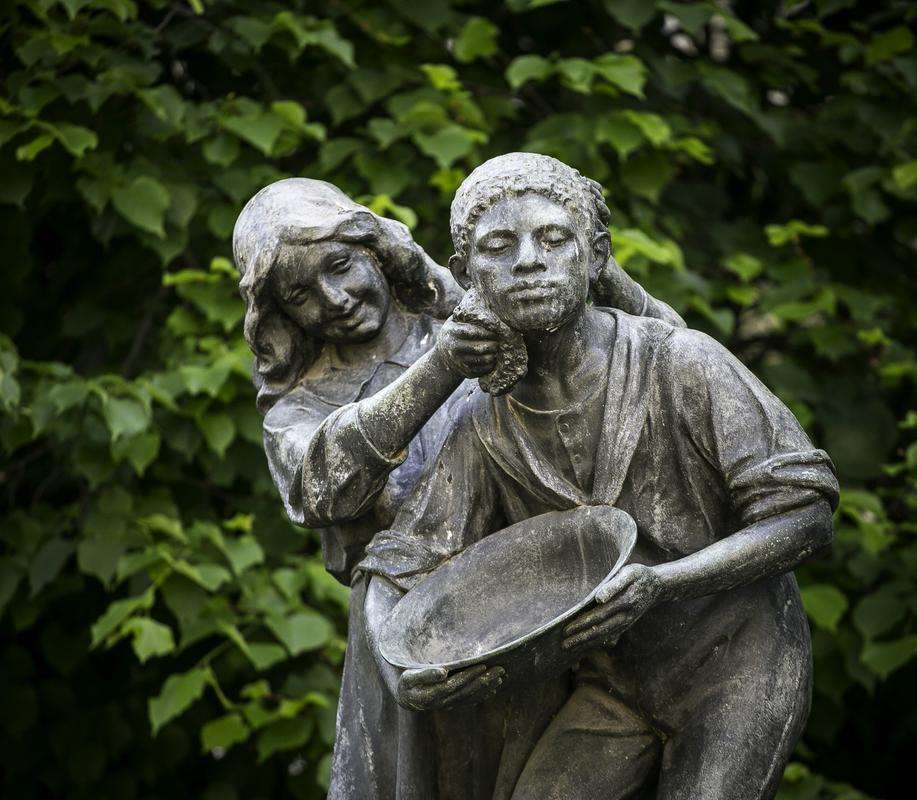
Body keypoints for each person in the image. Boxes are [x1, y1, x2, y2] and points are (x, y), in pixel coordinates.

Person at [357, 153, 839, 799]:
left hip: (738, 665)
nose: (529, 260)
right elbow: (399, 564)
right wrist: (400, 671)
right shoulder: (482, 422)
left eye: (554, 238)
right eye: (499, 247)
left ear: (596, 255)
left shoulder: (680, 361)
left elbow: (804, 516)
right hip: (614, 684)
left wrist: (661, 584)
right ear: (466, 274)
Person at [232, 176, 685, 799]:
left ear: (378, 252)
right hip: (412, 632)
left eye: (342, 265)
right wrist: (443, 366)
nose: (334, 298)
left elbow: (670, 352)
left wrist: (594, 264)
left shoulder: (475, 301)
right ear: (279, 314)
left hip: (544, 599)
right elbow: (325, 485)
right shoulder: (299, 410)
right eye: (300, 293)